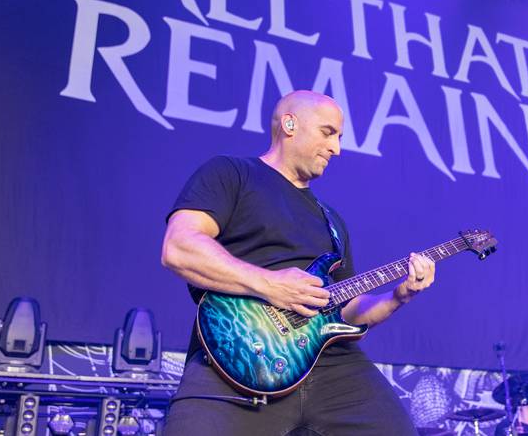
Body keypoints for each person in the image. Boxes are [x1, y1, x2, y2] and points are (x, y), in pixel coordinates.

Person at [161, 90, 436, 435]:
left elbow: (346, 309)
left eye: (339, 137)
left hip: (331, 367)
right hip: (238, 353)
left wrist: (399, 296)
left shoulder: (331, 220)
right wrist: (270, 285)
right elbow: (179, 247)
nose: (336, 148)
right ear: (290, 124)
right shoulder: (232, 173)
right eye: (328, 132)